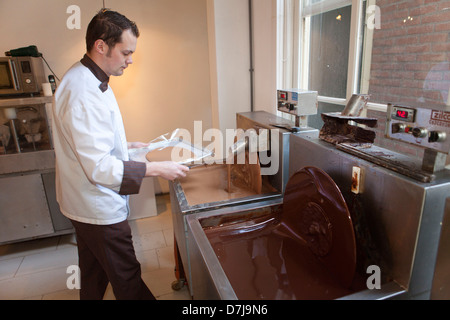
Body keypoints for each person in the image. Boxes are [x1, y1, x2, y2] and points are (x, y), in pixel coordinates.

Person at [52, 9, 189, 300]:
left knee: (93, 270)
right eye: (126, 52)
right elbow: (99, 168)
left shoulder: (83, 76)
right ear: (101, 46)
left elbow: (88, 145)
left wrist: (127, 148)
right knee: (126, 276)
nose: (130, 60)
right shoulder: (83, 94)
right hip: (97, 207)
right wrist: (157, 169)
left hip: (80, 202)